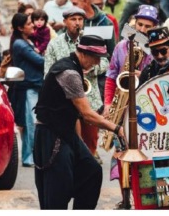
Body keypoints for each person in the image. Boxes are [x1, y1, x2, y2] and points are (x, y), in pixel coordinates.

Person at [34, 34, 124, 209]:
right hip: (51, 134)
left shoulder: (74, 67)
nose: (98, 63)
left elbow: (75, 114)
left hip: (66, 132)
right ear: (83, 53)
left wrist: (78, 144)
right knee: (58, 189)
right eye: (96, 58)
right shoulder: (69, 73)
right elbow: (87, 114)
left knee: (92, 171)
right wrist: (117, 128)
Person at [102, 5, 157, 209]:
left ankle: (146, 197)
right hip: (122, 106)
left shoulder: (155, 48)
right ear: (134, 22)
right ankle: (125, 199)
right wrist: (108, 103)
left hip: (147, 108)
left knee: (146, 154)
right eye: (139, 24)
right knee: (120, 154)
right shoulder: (121, 46)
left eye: (147, 26)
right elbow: (111, 76)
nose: (142, 28)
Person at [44, 6, 108, 165]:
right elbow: (48, 73)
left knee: (91, 139)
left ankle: (90, 162)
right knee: (72, 143)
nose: (77, 23)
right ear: (65, 22)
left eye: (80, 19)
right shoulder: (54, 44)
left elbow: (106, 61)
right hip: (67, 101)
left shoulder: (91, 38)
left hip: (90, 98)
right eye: (73, 19)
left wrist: (91, 68)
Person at [10, 13, 44, 167]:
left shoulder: (27, 41)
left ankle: (31, 155)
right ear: (20, 28)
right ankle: (28, 157)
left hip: (34, 86)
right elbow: (39, 61)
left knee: (33, 123)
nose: (32, 25)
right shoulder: (20, 44)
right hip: (28, 88)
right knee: (30, 124)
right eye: (29, 23)